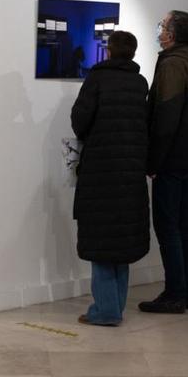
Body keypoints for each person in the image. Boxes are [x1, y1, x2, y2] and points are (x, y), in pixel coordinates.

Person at [70, 30, 151, 326]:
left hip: (101, 169)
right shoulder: (139, 82)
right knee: (123, 239)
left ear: (109, 50)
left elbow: (80, 119)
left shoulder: (97, 79)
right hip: (131, 169)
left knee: (101, 238)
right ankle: (115, 305)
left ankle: (105, 310)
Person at [139, 10, 188, 314]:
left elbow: (166, 117)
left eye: (162, 26)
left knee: (169, 225)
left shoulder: (173, 64)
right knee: (187, 224)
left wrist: (153, 160)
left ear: (171, 34)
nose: (159, 30)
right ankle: (186, 292)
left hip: (171, 158)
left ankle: (175, 293)